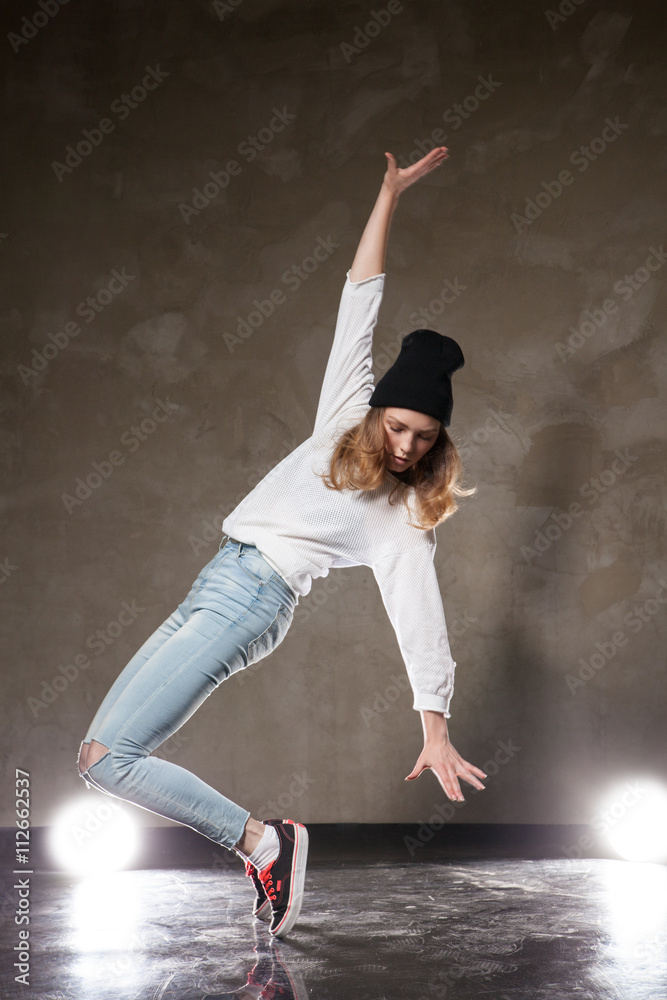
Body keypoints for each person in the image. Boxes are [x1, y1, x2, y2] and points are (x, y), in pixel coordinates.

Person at [77, 145, 487, 939]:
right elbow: (359, 298)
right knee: (99, 755)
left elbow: (419, 618)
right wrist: (389, 194)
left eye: (424, 437)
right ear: (376, 414)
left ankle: (267, 843)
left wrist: (433, 724)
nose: (406, 446)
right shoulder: (342, 415)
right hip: (218, 581)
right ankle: (265, 845)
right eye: (398, 426)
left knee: (111, 760)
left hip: (253, 597)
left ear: (439, 442)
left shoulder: (400, 516)